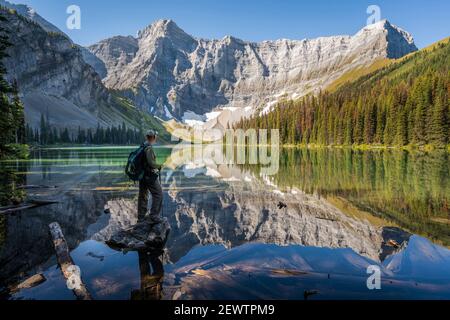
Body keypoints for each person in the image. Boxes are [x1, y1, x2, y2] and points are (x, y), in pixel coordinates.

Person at [138, 130, 163, 224]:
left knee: (143, 195)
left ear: (147, 136)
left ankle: (141, 217)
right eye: (155, 137)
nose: (155, 138)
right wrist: (159, 166)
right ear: (153, 137)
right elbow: (151, 163)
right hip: (149, 175)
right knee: (158, 194)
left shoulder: (143, 145)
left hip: (142, 175)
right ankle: (154, 216)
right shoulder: (148, 148)